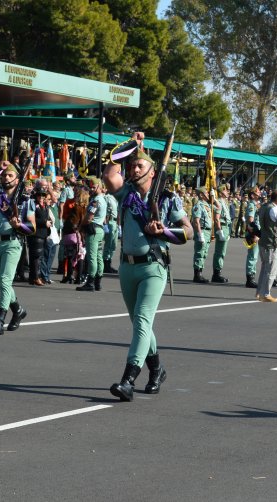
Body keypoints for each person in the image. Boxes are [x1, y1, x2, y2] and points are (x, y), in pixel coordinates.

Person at [101, 134, 192, 402]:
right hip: (127, 267)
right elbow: (109, 175)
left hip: (153, 266)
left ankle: (128, 379)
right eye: (131, 166)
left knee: (142, 320)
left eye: (140, 165)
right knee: (141, 325)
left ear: (153, 171)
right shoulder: (126, 193)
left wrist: (164, 231)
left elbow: (188, 231)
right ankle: (157, 369)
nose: (134, 169)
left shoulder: (167, 198)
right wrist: (129, 145)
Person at [0, 163, 34, 334]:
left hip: (12, 243)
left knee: (5, 281)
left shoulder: (25, 200)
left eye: (10, 175)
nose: (6, 178)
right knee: (0, 284)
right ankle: (18, 310)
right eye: (4, 175)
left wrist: (19, 225)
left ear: (17, 179)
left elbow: (32, 227)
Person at [255, 189, 277, 302]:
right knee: (271, 270)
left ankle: (259, 293)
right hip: (271, 244)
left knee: (264, 269)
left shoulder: (264, 206)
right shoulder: (274, 209)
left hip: (263, 241)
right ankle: (266, 294)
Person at [76, 177, 106, 291]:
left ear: (99, 186)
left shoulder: (95, 201)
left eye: (94, 187)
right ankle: (98, 281)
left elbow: (88, 218)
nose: (92, 189)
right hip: (100, 229)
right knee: (98, 256)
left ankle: (90, 282)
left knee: (92, 257)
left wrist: (80, 227)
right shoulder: (103, 199)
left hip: (93, 230)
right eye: (91, 187)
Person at [210, 185, 232, 283]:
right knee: (220, 251)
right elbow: (217, 218)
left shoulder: (224, 201)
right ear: (221, 192)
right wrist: (219, 231)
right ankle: (216, 274)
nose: (227, 192)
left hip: (226, 227)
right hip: (222, 227)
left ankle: (218, 272)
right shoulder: (218, 202)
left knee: (222, 251)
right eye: (225, 190)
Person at [190, 190, 212, 283]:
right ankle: (197, 275)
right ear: (201, 195)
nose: (208, 194)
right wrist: (199, 234)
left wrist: (214, 198)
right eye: (206, 193)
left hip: (207, 231)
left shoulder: (207, 205)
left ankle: (200, 272)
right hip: (202, 230)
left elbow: (218, 207)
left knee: (204, 253)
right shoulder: (198, 205)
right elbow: (196, 221)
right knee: (199, 252)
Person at [243, 187, 260, 288]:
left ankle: (252, 277)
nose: (259, 193)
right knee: (252, 256)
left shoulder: (256, 204)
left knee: (255, 255)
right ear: (252, 195)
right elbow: (250, 220)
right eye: (257, 192)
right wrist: (255, 234)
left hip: (256, 232)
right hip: (253, 233)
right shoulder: (251, 205)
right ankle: (250, 279)